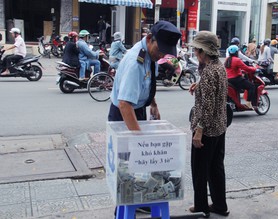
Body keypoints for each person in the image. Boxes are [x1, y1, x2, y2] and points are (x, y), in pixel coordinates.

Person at [108, 20, 181, 126]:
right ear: (149, 39)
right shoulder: (135, 64)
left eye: (165, 52)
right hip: (123, 115)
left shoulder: (151, 54)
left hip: (138, 109)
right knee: (137, 141)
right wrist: (139, 138)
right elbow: (124, 104)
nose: (161, 55)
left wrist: (153, 105)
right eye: (160, 50)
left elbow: (148, 83)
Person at [188, 31, 229, 218]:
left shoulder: (208, 73)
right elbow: (215, 91)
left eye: (197, 50)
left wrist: (199, 131)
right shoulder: (219, 67)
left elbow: (207, 105)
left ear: (202, 51)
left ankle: (201, 206)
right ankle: (220, 205)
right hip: (220, 126)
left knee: (199, 171)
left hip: (207, 130)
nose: (195, 53)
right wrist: (199, 85)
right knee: (216, 168)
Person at [225, 45, 257, 109]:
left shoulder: (227, 59)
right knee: (251, 86)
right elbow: (247, 68)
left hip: (228, 79)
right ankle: (248, 104)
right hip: (236, 79)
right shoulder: (237, 60)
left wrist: (241, 71)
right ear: (236, 52)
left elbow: (232, 69)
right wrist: (255, 69)